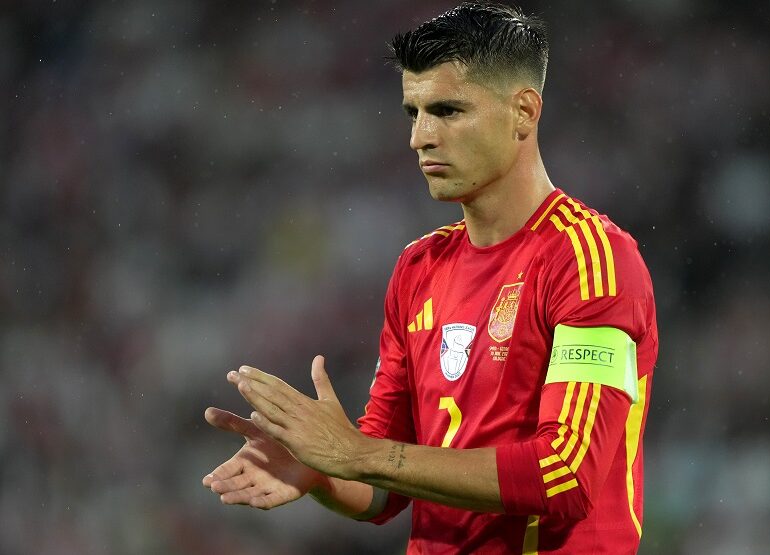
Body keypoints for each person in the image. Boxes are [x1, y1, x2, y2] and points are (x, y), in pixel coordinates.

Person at [202, 3, 658, 553]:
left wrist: (357, 455)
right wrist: (320, 470)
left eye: (447, 110)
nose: (420, 137)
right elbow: (383, 487)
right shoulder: (419, 267)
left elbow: (566, 475)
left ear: (523, 111)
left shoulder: (590, 259)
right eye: (412, 113)